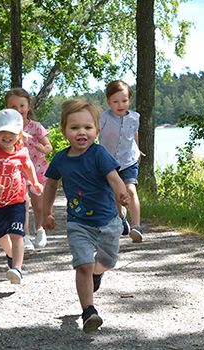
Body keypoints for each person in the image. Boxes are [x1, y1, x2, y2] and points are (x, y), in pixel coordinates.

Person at [42, 98, 130, 333]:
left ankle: (97, 274)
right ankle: (89, 311)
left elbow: (113, 178)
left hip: (108, 221)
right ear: (64, 131)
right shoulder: (60, 159)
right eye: (75, 128)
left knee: (107, 262)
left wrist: (122, 194)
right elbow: (50, 186)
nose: (82, 132)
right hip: (78, 223)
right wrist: (46, 213)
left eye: (88, 127)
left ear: (97, 131)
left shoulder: (99, 154)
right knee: (83, 264)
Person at [0, 109, 44, 284]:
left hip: (17, 201)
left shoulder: (21, 152)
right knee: (1, 236)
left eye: (11, 132)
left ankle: (17, 269)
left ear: (19, 134)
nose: (6, 136)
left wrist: (35, 182)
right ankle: (10, 255)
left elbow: (28, 167)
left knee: (17, 233)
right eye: (2, 132)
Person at [5, 88, 53, 250]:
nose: (18, 110)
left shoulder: (36, 127)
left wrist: (43, 148)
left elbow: (49, 147)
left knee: (38, 205)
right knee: (22, 203)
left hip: (38, 170)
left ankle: (39, 230)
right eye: (13, 107)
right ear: (7, 108)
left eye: (21, 106)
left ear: (28, 107)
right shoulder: (6, 129)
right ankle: (24, 235)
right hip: (17, 172)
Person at [99, 80, 145, 243]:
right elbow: (95, 133)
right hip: (108, 161)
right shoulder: (104, 117)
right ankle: (120, 218)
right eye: (115, 101)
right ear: (108, 102)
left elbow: (134, 134)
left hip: (129, 160)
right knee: (115, 194)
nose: (120, 105)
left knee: (130, 190)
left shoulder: (135, 117)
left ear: (129, 100)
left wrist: (138, 149)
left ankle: (137, 226)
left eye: (124, 101)